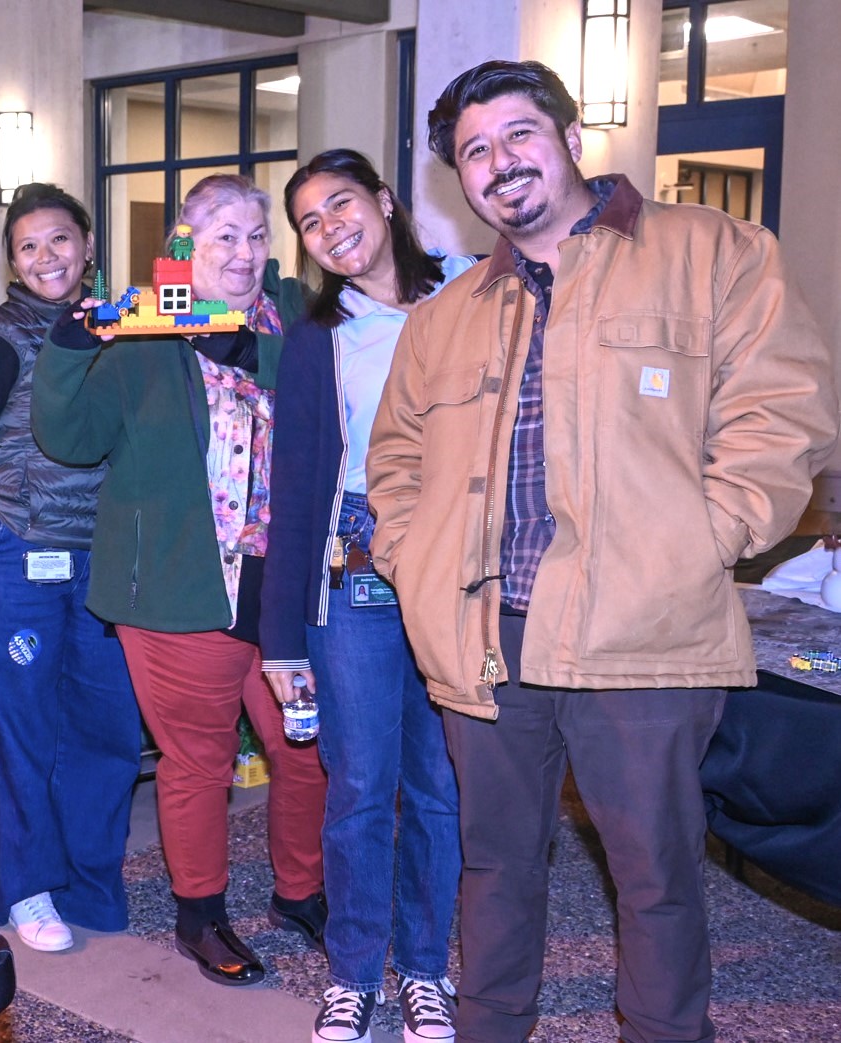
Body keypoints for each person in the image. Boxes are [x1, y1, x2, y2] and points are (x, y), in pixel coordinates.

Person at [368, 60, 837, 1043]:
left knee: (655, 869)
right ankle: (490, 1026)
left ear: (572, 139)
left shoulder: (712, 253)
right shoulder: (442, 319)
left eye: (516, 135)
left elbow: (782, 411)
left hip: (644, 629)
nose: (498, 163)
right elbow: (398, 459)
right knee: (493, 859)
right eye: (473, 153)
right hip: (484, 632)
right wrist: (413, 560)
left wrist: (704, 536)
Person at [31, 173, 325, 981]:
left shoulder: (292, 317)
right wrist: (66, 350)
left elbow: (324, 378)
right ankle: (200, 914)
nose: (242, 250)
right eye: (221, 234)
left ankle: (301, 891)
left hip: (285, 585)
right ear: (183, 246)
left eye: (255, 234)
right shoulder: (142, 336)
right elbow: (71, 439)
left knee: (303, 748)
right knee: (199, 761)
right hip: (178, 587)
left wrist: (243, 343)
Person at [261, 149, 473, 1042]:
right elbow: (297, 480)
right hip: (353, 560)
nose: (329, 228)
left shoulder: (468, 291)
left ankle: (426, 969)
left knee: (437, 784)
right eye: (309, 221)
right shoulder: (319, 334)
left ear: (384, 201)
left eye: (340, 203)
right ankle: (353, 974)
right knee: (355, 785)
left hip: (458, 554)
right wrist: (280, 639)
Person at [0, 182, 142, 953]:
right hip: (14, 552)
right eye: (27, 246)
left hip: (105, 554)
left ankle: (92, 878)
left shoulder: (123, 328)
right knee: (21, 723)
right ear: (11, 263)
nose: (45, 256)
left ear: (87, 247)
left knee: (106, 723)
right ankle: (27, 888)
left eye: (59, 239)